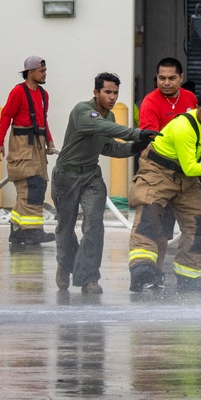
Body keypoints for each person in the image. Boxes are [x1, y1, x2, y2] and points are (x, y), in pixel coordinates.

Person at [52, 73, 160, 293]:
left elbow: (109, 147)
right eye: (107, 92)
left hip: (91, 176)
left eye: (115, 93)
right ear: (96, 92)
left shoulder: (109, 118)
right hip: (66, 176)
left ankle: (89, 278)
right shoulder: (82, 111)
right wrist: (136, 132)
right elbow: (102, 128)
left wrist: (136, 145)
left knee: (94, 225)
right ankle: (65, 264)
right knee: (65, 228)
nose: (112, 97)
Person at [127, 90, 201, 293]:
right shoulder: (183, 127)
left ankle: (189, 274)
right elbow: (191, 167)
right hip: (158, 171)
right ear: (197, 108)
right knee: (149, 213)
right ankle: (142, 267)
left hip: (185, 178)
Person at [136, 57, 199, 285]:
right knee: (158, 228)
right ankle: (156, 273)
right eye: (161, 78)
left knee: (198, 222)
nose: (166, 83)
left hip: (186, 172)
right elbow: (154, 139)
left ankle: (196, 270)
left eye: (172, 78)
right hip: (159, 171)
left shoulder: (191, 99)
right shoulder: (150, 102)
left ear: (181, 78)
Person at [0, 56, 57, 245]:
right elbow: (6, 115)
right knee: (31, 186)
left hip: (37, 146)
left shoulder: (44, 95)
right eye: (42, 71)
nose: (45, 74)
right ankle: (32, 231)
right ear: (31, 73)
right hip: (22, 145)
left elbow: (42, 119)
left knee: (33, 186)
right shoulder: (18, 92)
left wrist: (49, 140)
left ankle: (17, 230)